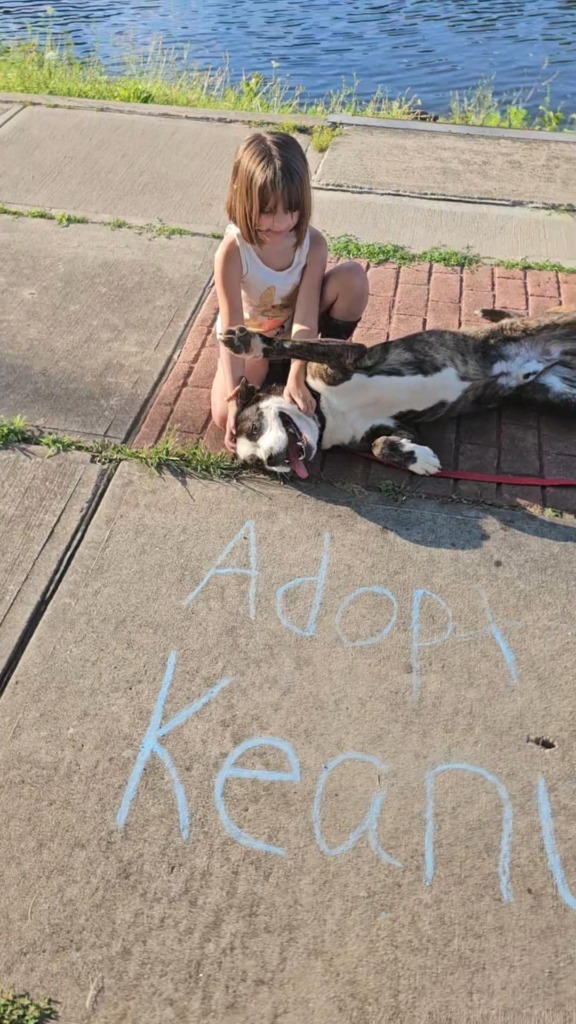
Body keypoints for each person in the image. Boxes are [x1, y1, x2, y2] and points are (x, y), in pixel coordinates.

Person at [210, 130, 369, 451]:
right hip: (254, 341)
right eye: (267, 210)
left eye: (291, 209)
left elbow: (307, 313)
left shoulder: (313, 244)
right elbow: (232, 330)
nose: (281, 222)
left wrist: (299, 370)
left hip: (297, 333)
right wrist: (235, 395)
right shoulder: (232, 251)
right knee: (221, 414)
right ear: (244, 199)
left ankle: (319, 366)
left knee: (352, 278)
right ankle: (279, 380)